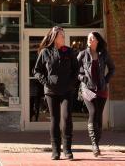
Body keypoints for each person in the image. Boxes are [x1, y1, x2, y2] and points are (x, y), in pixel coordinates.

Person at [33, 25, 78, 160]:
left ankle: (68, 149)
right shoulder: (45, 52)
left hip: (67, 91)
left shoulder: (69, 52)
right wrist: (45, 81)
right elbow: (36, 70)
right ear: (54, 37)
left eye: (64, 35)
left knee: (66, 118)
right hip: (51, 91)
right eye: (61, 35)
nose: (63, 37)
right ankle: (55, 151)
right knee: (55, 119)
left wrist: (71, 83)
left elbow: (76, 70)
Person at [77, 31, 116, 157]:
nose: (90, 39)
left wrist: (106, 79)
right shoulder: (82, 55)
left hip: (102, 89)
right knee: (93, 112)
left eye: (92, 38)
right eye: (88, 38)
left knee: (99, 117)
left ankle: (96, 145)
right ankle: (94, 144)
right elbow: (75, 71)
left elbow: (112, 68)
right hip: (87, 89)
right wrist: (83, 79)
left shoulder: (103, 54)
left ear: (97, 40)